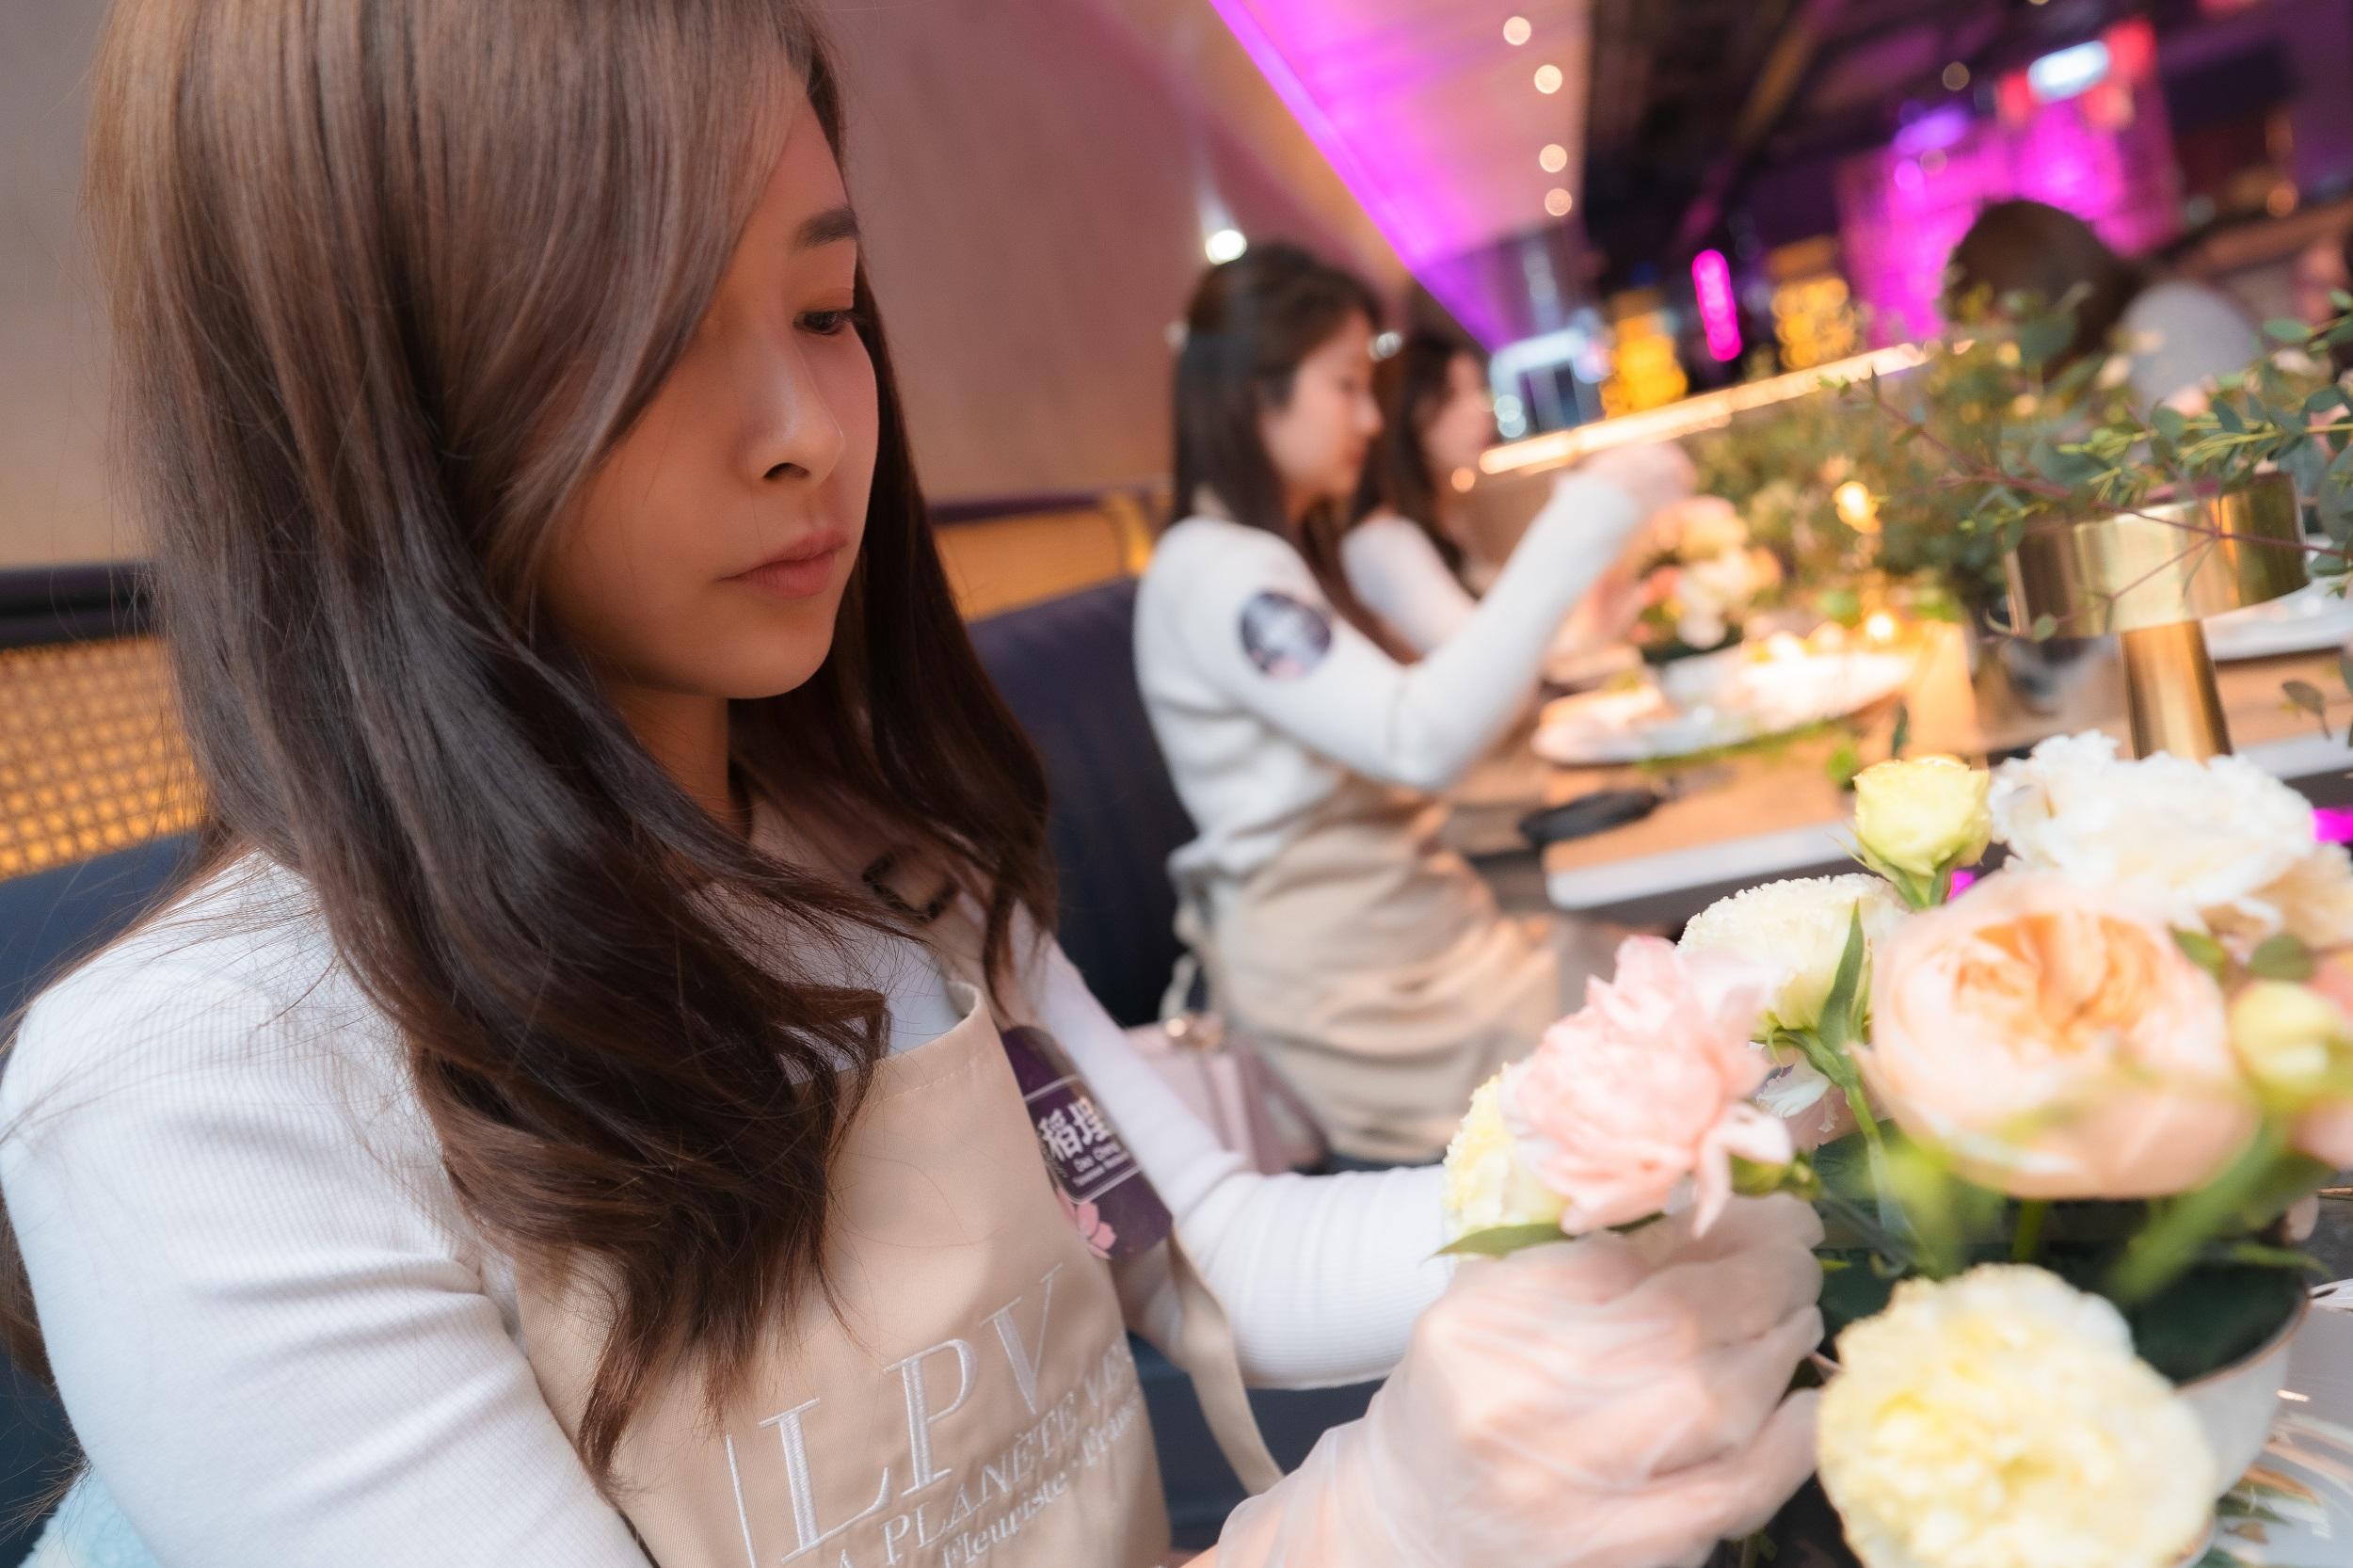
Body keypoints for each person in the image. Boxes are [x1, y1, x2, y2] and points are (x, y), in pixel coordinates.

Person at [0, 5, 1823, 1568]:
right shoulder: (199, 1095)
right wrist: (1380, 1516)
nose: (809, 430)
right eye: (644, 340)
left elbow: (1224, 1255)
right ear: (366, 405)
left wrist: (1728, 1121)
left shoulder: (875, 852)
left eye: (824, 306)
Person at [1136, 246, 1694, 1164]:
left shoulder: (1261, 558)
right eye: (1345, 385)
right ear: (1252, 390)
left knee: (1675, 990)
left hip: (1418, 940)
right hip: (1365, 991)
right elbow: (1418, 739)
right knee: (1679, 1034)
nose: (1368, 417)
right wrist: (1587, 514)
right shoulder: (1218, 572)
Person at [1945, 198, 2258, 408]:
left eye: (1995, 325)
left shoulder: (2167, 321)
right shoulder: (2113, 355)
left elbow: (2212, 470)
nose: (2000, 349)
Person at [1340, 331, 1496, 654]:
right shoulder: (1383, 541)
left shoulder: (1441, 518)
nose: (1479, 412)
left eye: (1478, 391)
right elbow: (1478, 657)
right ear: (1407, 409)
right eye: (1452, 396)